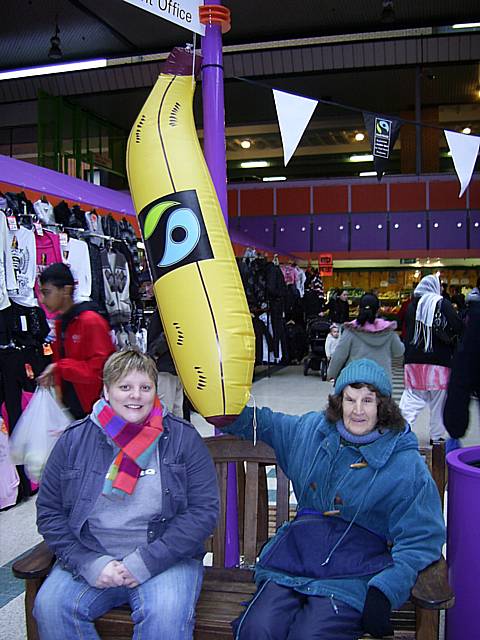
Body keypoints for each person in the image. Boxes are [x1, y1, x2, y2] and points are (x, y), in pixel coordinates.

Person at [215, 359, 445, 640]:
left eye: (367, 400)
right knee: (258, 628)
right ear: (339, 402)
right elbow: (264, 424)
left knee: (310, 635)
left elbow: (422, 539)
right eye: (350, 399)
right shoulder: (312, 431)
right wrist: (218, 410)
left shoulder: (405, 464)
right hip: (293, 561)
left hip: (353, 572)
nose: (357, 410)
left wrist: (385, 590)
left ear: (382, 406)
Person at [34, 349, 219, 640]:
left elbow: (203, 511)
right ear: (106, 391)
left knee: (165, 617)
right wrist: (89, 563)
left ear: (155, 391)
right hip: (92, 554)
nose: (136, 396)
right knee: (51, 607)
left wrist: (146, 561)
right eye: (125, 387)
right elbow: (49, 512)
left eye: (145, 387)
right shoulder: (74, 440)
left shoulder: (183, 438)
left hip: (165, 558)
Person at [36, 263, 114, 418]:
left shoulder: (90, 321)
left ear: (66, 290)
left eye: (47, 293)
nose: (42, 300)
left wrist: (59, 367)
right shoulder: (61, 322)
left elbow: (100, 370)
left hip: (95, 409)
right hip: (71, 407)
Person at [399, 274, 463, 443]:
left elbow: (403, 325)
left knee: (411, 398)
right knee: (438, 404)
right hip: (439, 362)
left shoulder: (413, 306)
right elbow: (458, 326)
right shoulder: (443, 304)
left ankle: (400, 431)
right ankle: (436, 438)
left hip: (413, 361)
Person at [327, 293, 404, 381]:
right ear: (378, 310)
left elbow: (339, 355)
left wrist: (332, 373)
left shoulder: (351, 330)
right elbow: (399, 351)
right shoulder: (387, 330)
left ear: (359, 309)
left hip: (355, 380)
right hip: (382, 381)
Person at [147, 308, 184, 417]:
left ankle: (165, 433)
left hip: (164, 365)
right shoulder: (180, 306)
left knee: (164, 409)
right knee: (177, 409)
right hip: (178, 366)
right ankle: (178, 433)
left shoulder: (164, 307)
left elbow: (170, 332)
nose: (148, 290)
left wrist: (154, 353)